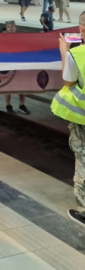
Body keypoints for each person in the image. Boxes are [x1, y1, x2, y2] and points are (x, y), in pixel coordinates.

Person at [54, 14, 85, 227]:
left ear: (82, 30)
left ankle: (84, 211)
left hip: (82, 120)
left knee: (83, 160)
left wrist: (65, 52)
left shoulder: (78, 54)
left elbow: (68, 80)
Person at [2, 21, 30, 114]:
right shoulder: (1, 38)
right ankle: (8, 105)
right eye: (9, 26)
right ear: (6, 28)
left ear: (15, 28)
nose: (10, 28)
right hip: (7, 65)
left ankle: (22, 105)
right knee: (8, 86)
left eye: (12, 26)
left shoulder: (20, 37)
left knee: (22, 86)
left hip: (19, 64)